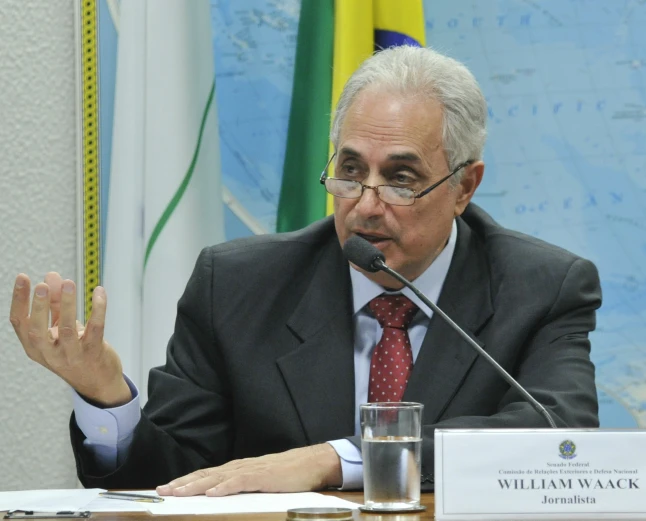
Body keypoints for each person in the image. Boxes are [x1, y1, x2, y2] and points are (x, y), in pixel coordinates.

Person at [9, 46, 602, 496]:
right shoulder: (238, 285)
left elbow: (559, 433)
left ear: (464, 187)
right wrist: (106, 396)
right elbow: (172, 479)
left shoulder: (541, 286)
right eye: (349, 170)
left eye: (400, 179)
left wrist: (336, 457)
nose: (365, 204)